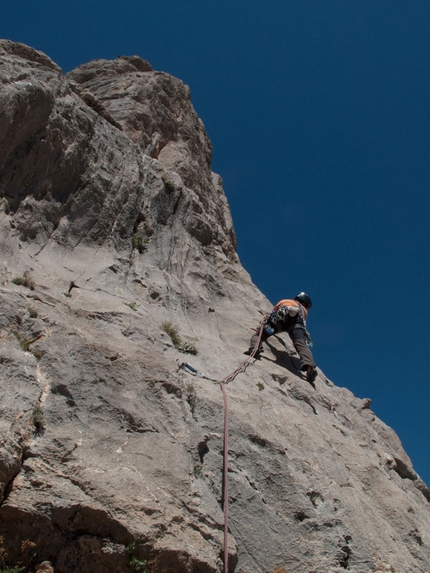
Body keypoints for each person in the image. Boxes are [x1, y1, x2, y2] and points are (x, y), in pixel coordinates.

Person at [246, 292, 317, 383]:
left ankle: (254, 349)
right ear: (305, 303)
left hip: (280, 318)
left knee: (259, 335)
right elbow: (301, 322)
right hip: (296, 323)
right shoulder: (304, 310)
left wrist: (261, 329)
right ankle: (310, 367)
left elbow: (273, 313)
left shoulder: (285, 301)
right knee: (301, 345)